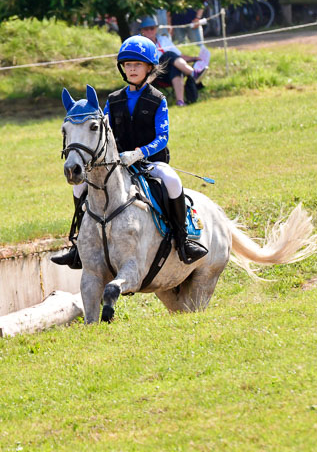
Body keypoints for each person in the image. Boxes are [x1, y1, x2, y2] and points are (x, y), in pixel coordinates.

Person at [51, 35, 208, 269]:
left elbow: (162, 138)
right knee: (79, 186)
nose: (132, 69)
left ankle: (183, 239)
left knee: (172, 181)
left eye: (137, 64)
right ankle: (77, 246)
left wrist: (139, 153)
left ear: (149, 67)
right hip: (116, 163)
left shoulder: (158, 99)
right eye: (128, 65)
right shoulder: (113, 100)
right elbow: (104, 132)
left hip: (149, 162)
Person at [138, 15, 210, 106]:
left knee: (175, 67)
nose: (149, 31)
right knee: (168, 54)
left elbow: (179, 56)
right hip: (155, 74)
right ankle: (193, 73)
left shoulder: (163, 40)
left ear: (156, 29)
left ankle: (180, 101)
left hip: (169, 72)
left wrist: (194, 58)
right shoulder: (141, 45)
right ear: (142, 31)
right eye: (146, 29)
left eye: (152, 28)